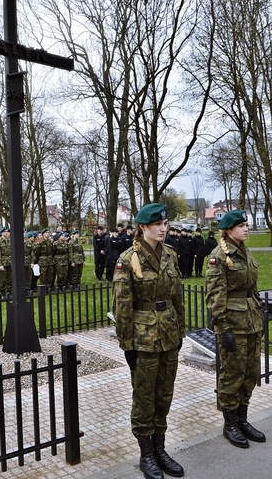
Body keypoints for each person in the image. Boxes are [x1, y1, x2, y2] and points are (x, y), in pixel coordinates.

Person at [113, 203, 185, 479]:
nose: (163, 228)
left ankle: (160, 448)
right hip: (143, 340)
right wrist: (127, 345)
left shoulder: (170, 254)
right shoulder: (128, 258)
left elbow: (177, 297)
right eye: (157, 224)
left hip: (168, 335)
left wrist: (180, 331)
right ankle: (146, 454)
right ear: (143, 227)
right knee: (144, 398)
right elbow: (122, 305)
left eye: (165, 223)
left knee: (164, 394)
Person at [205, 209, 266, 449]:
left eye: (246, 224)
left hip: (251, 320)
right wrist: (223, 328)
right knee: (232, 374)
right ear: (229, 230)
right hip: (233, 323)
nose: (246, 228)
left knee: (250, 372)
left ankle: (242, 420)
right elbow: (215, 294)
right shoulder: (219, 255)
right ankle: (229, 423)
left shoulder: (244, 250)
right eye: (241, 225)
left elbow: (252, 287)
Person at [0, 227, 12, 296]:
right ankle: (2, 292)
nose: (6, 232)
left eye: (7, 231)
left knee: (10, 278)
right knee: (3, 279)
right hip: (3, 261)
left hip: (9, 261)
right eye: (4, 231)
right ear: (2, 233)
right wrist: (0, 264)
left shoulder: (9, 241)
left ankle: (9, 291)